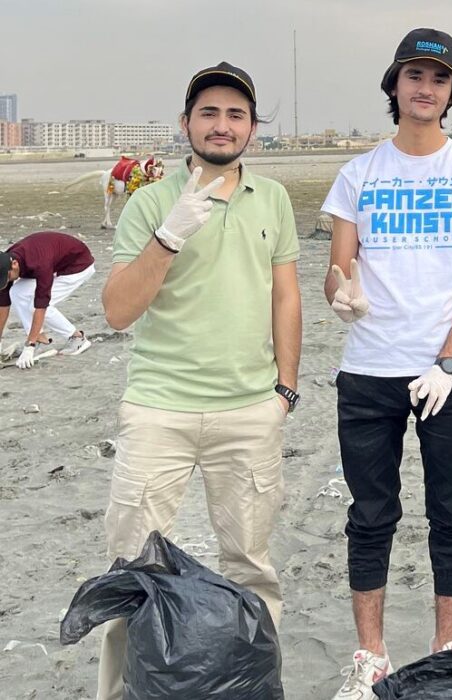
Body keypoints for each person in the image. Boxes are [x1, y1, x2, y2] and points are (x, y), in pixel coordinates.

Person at [97, 61, 301, 700]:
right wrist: (167, 236)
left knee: (251, 566)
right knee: (133, 569)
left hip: (248, 411)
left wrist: (284, 389)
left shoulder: (272, 198)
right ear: (185, 124)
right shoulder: (151, 202)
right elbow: (117, 310)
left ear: (252, 128)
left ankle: (255, 686)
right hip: (159, 408)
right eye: (208, 113)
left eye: (236, 114)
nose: (222, 125)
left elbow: (286, 297)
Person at [321, 27, 452, 700]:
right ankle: (370, 655)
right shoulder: (359, 173)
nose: (424, 89)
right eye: (413, 77)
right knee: (371, 513)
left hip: (446, 372)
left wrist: (449, 361)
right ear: (394, 87)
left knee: (450, 506)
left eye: (438, 79)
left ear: (451, 91)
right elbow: (336, 268)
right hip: (369, 368)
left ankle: (447, 646)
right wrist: (341, 292)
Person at [0, 231, 96, 366]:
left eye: (7, 277)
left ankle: (77, 338)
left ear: (15, 264)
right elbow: (3, 303)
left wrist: (29, 346)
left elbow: (41, 304)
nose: (6, 280)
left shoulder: (39, 264)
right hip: (56, 263)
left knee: (36, 305)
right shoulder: (6, 262)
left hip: (78, 265)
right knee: (16, 292)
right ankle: (40, 338)